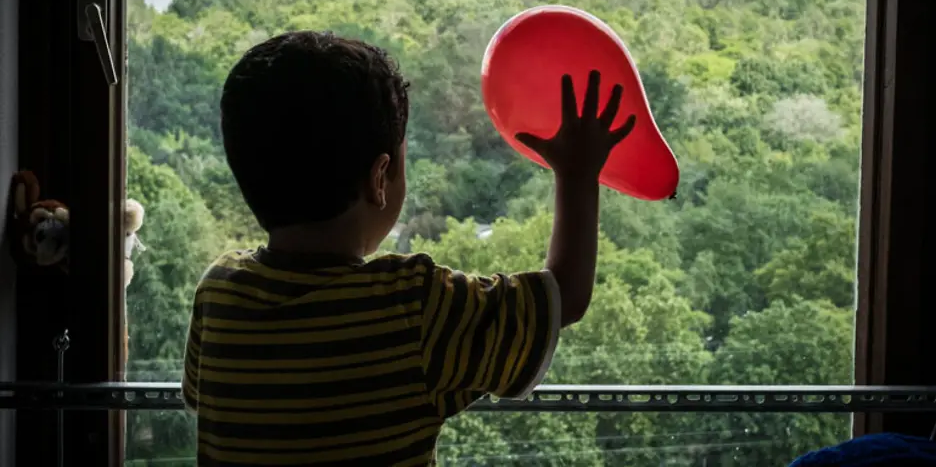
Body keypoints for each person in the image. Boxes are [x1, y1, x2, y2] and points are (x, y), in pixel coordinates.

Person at [181, 30, 636, 466]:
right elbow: (565, 297)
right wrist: (577, 174)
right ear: (380, 179)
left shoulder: (219, 293)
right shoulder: (413, 307)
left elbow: (204, 405)